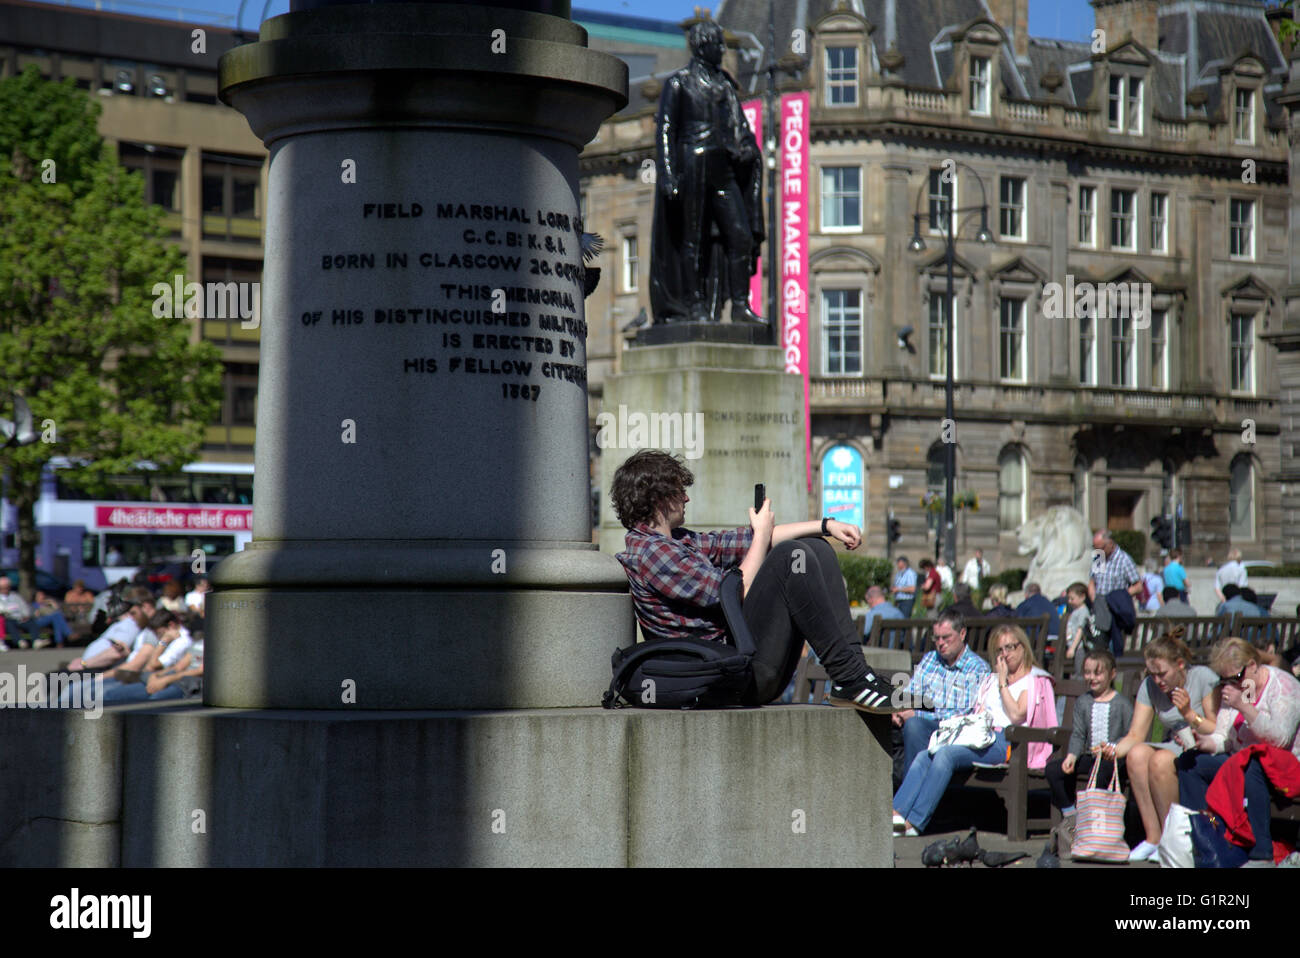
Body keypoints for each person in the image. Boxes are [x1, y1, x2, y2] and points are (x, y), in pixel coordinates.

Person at [611, 450, 898, 711]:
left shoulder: (679, 542)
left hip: (743, 668)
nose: (686, 498)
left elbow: (743, 540)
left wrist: (826, 526)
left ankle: (855, 674)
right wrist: (761, 535)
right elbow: (733, 594)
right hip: (725, 679)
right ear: (659, 499)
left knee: (818, 548)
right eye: (679, 491)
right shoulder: (652, 553)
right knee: (790, 557)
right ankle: (851, 678)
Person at [648, 20, 765, 326]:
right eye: (718, 45)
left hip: (723, 169)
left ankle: (740, 305)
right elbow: (665, 131)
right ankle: (694, 304)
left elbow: (741, 127)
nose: (723, 50)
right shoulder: (679, 83)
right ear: (703, 46)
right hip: (693, 164)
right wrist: (669, 174)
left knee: (740, 236)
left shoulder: (725, 84)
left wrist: (749, 147)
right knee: (693, 239)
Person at [893, 624, 1056, 835]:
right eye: (999, 650)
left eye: (1010, 647)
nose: (1005, 654)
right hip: (982, 736)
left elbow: (1016, 715)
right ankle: (896, 814)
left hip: (1010, 743)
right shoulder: (992, 679)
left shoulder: (1034, 680)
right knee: (926, 755)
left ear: (1023, 648)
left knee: (945, 755)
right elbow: (978, 712)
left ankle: (914, 823)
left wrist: (1002, 683)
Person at [1175, 638, 1300, 866]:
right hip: (1241, 760)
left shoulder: (1283, 686)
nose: (1231, 684)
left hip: (1284, 766)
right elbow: (1223, 737)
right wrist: (1204, 742)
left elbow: (1280, 739)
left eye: (1236, 677)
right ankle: (1206, 834)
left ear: (1252, 665)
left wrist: (1243, 706)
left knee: (1254, 763)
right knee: (1190, 763)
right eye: (1225, 680)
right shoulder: (1237, 687)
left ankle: (1262, 853)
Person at [1109, 629, 1220, 861]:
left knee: (1160, 760)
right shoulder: (1150, 686)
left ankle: (1172, 839)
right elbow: (1136, 734)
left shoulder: (1201, 677)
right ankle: (1153, 838)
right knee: (1137, 754)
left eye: (1162, 673)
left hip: (1206, 747)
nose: (1157, 680)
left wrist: (1189, 714)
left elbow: (1218, 728)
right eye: (1152, 674)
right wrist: (1111, 750)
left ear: (1180, 664)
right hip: (1177, 745)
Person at [1045, 648, 1134, 854]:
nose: (1091, 678)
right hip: (1090, 756)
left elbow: (1131, 734)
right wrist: (1072, 756)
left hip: (1113, 758)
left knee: (1103, 770)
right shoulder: (1084, 702)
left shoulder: (1122, 703)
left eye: (1097, 673)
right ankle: (1071, 816)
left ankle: (1095, 822)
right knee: (1053, 770)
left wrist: (1112, 747)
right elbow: (1078, 734)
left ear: (1112, 674)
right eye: (1087, 672)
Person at [891, 610, 991, 778]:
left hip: (951, 730)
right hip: (921, 724)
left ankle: (906, 795)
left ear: (962, 633)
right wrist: (899, 710)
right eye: (936, 638)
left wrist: (916, 713)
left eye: (946, 637)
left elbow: (960, 713)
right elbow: (911, 692)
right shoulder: (930, 659)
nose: (940, 643)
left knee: (914, 725)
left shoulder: (977, 668)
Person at [1089, 530, 1141, 658]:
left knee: (1112, 643)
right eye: (1095, 548)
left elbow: (1138, 586)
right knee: (1098, 643)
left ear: (1110, 544)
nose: (1097, 551)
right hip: (1100, 606)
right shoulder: (1099, 556)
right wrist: (1094, 598)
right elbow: (1093, 581)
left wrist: (1121, 596)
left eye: (1100, 547)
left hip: (1114, 607)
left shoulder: (1124, 560)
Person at [1061, 581, 1094, 678]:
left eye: (1072, 598)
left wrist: (1072, 648)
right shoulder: (1076, 611)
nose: (1069, 601)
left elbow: (1081, 630)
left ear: (1082, 597)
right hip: (1073, 646)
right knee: (1074, 670)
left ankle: (1078, 689)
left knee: (1079, 671)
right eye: (1069, 598)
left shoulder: (1083, 611)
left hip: (1079, 647)